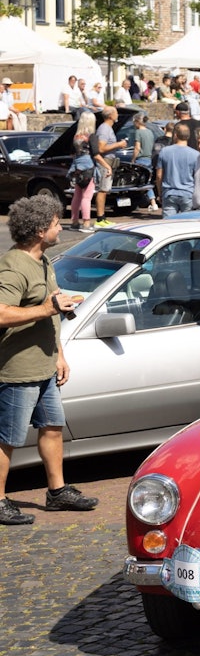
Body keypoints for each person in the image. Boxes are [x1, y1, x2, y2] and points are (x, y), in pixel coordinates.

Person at [0, 195, 97, 525]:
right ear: (40, 230)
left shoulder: (43, 261)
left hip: (44, 365)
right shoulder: (13, 266)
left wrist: (59, 354)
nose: (60, 228)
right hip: (18, 369)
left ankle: (57, 492)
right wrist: (46, 308)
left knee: (53, 428)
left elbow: (51, 312)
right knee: (7, 439)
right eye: (57, 224)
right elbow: (2, 313)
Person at [156, 121, 199, 216]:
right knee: (188, 222)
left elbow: (159, 175)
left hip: (169, 193)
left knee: (169, 223)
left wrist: (160, 193)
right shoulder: (195, 154)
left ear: (175, 135)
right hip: (188, 193)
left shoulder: (165, 151)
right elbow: (197, 177)